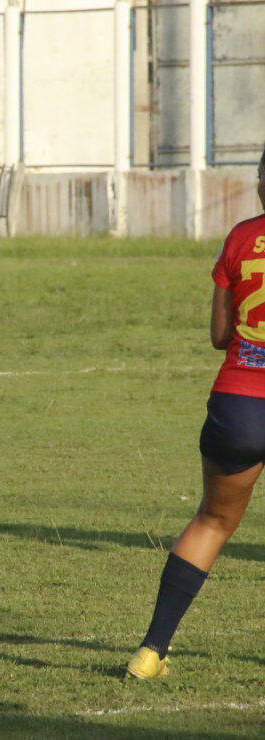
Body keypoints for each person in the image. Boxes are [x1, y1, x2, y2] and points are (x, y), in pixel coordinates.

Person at [126, 148, 265, 680]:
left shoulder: (239, 237)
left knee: (212, 521)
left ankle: (152, 649)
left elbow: (218, 336)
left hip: (238, 402)